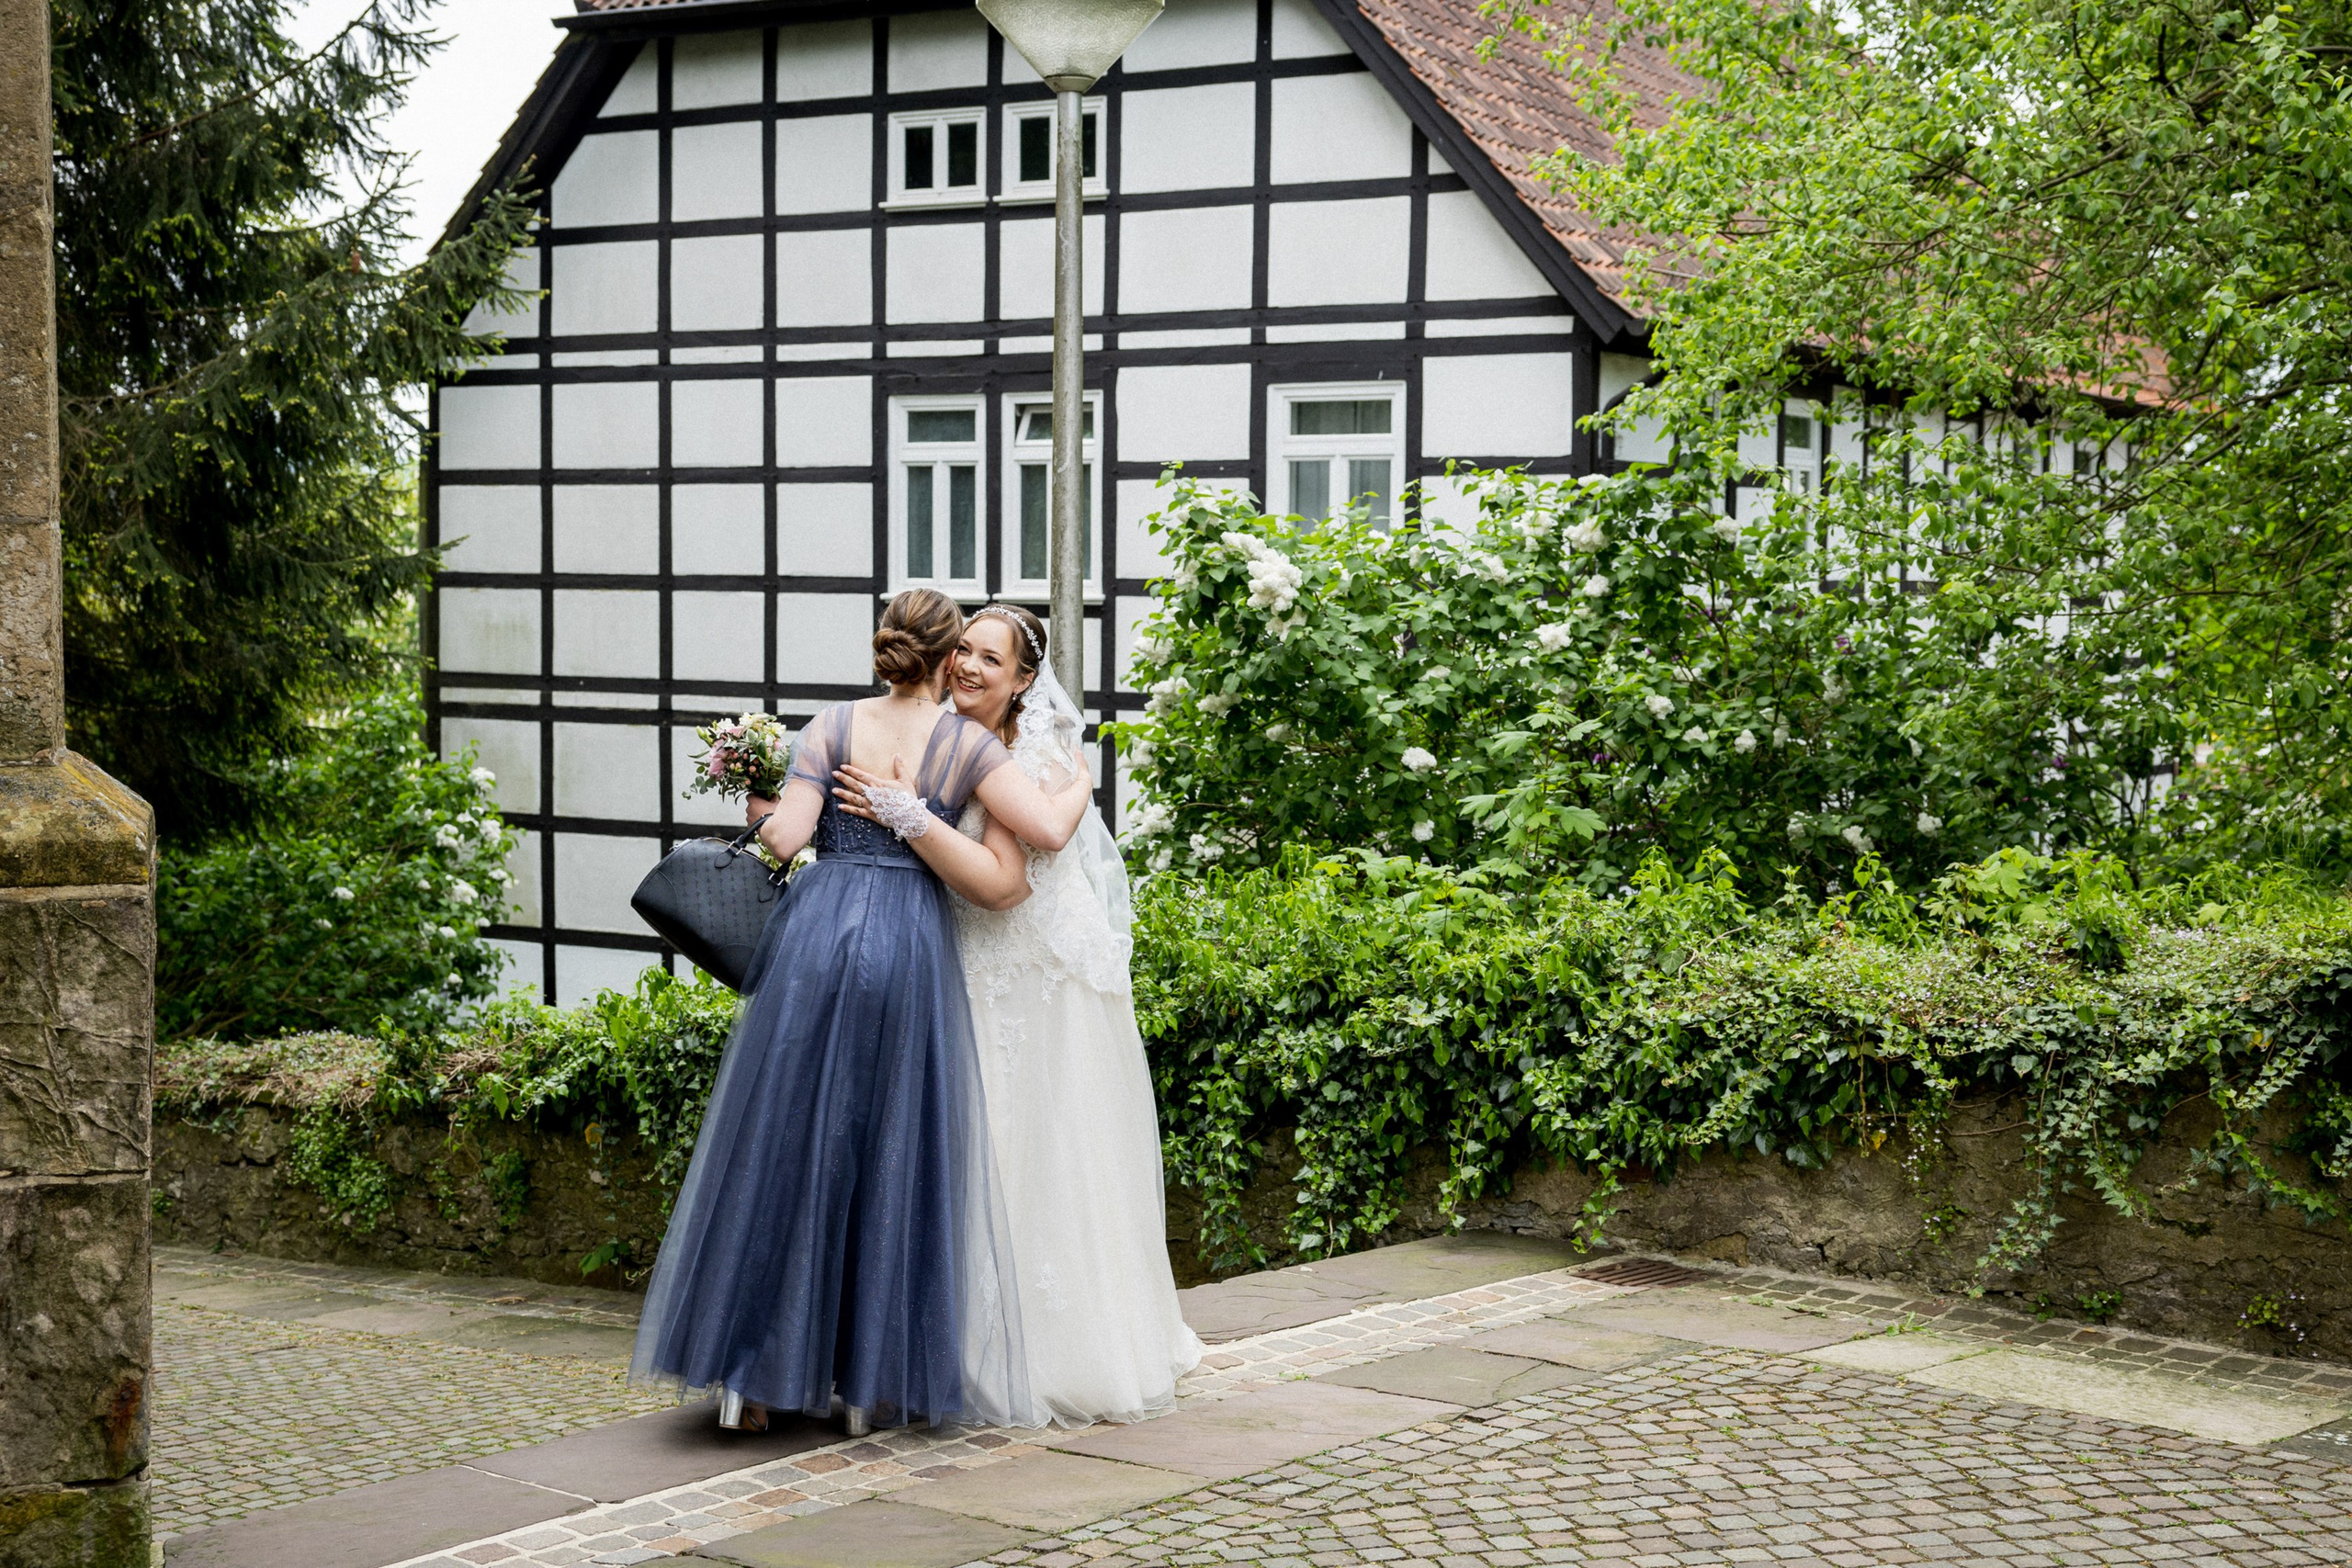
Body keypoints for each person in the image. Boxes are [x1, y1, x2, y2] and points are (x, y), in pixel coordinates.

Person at [628, 589, 1090, 1436]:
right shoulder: (966, 744)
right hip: (906, 947)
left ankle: (748, 1381)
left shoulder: (831, 724)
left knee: (781, 1142)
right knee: (892, 1151)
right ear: (949, 657)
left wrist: (760, 799)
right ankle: (875, 1387)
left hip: (816, 939)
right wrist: (1079, 776)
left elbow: (787, 839)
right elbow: (1042, 838)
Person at [835, 604, 1204, 1427]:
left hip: (1032, 975)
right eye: (960, 649)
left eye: (988, 659)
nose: (965, 665)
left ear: (1024, 681)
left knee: (1031, 1150)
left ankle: (1040, 1352)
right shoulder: (948, 738)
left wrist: (911, 812)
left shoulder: (1020, 751)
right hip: (969, 967)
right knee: (974, 1151)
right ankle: (945, 1342)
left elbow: (1013, 872)